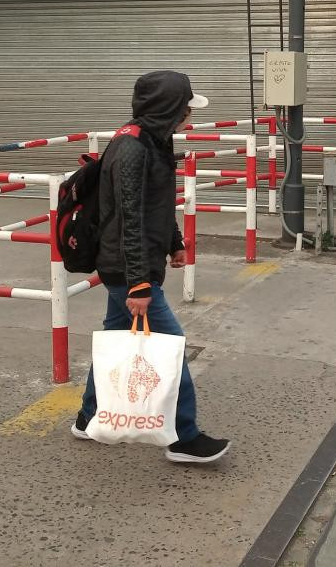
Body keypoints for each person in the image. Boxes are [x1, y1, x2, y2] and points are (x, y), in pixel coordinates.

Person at [71, 70, 230, 464]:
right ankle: (184, 438)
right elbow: (129, 218)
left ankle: (88, 417)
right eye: (185, 108)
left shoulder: (154, 141)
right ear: (169, 108)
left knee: (116, 336)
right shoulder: (132, 149)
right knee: (171, 346)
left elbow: (156, 203)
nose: (189, 115)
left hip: (131, 264)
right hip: (126, 268)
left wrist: (173, 243)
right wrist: (139, 284)